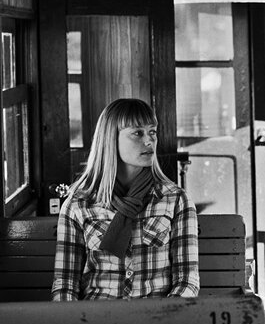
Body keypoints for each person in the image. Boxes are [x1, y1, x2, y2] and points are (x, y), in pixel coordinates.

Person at [52, 98, 199, 300]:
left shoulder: (174, 199)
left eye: (152, 132)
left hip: (156, 320)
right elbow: (65, 284)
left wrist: (166, 319)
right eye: (138, 133)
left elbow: (187, 281)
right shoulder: (79, 203)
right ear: (111, 138)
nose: (149, 141)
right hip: (95, 321)